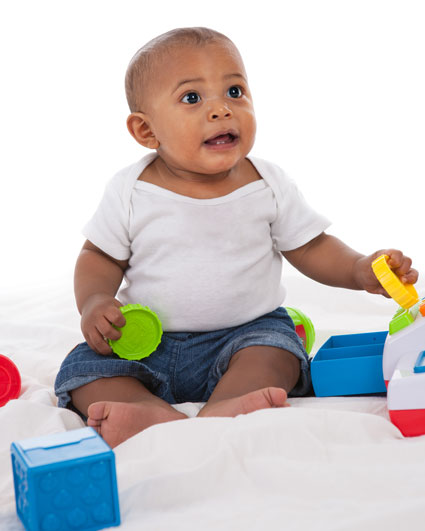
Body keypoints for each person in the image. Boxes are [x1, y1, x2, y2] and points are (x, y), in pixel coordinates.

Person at [54, 27, 418, 448]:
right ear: (146, 131)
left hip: (245, 333)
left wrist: (358, 268)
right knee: (85, 369)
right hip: (149, 344)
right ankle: (146, 410)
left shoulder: (267, 183)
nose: (221, 110)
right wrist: (96, 301)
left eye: (234, 91)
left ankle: (228, 406)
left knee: (278, 353)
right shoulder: (130, 190)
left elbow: (312, 245)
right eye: (192, 98)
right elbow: (99, 256)